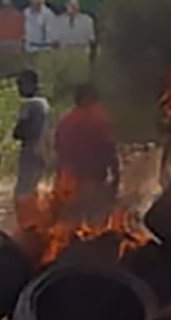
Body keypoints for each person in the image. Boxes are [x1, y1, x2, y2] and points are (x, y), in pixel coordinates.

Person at [54, 84, 120, 224]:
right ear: (91, 99)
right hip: (91, 182)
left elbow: (58, 152)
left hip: (65, 183)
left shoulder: (65, 121)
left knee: (69, 228)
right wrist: (116, 176)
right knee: (95, 226)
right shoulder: (98, 119)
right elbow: (109, 149)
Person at [12, 69, 51, 209]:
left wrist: (17, 132)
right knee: (36, 185)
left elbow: (20, 130)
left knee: (24, 189)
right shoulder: (44, 103)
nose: (19, 89)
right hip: (43, 148)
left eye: (21, 84)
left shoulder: (28, 105)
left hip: (30, 149)